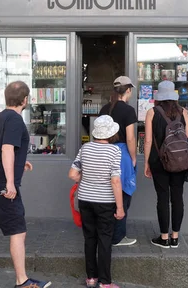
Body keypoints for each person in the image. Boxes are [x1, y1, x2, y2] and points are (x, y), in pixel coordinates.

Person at [0, 81, 51, 288]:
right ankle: (22, 281)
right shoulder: (15, 120)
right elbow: (6, 149)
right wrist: (10, 183)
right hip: (2, 185)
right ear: (25, 100)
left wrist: (21, 162)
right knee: (18, 230)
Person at [69, 115, 125, 288]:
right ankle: (105, 282)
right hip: (105, 202)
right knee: (105, 239)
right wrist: (120, 207)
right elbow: (115, 181)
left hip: (85, 199)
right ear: (111, 133)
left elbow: (72, 174)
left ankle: (91, 278)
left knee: (90, 238)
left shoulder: (85, 148)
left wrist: (86, 179)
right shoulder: (114, 151)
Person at [143, 80, 188, 249]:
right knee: (178, 197)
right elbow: (187, 140)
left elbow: (148, 140)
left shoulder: (152, 112)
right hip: (180, 161)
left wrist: (146, 162)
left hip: (159, 161)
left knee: (162, 197)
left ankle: (164, 238)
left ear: (159, 97)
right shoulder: (183, 112)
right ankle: (175, 237)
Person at [99, 76, 137, 247]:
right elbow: (130, 138)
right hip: (121, 154)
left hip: (104, 152)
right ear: (128, 90)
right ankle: (119, 236)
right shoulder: (128, 111)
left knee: (106, 193)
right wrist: (134, 158)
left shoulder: (104, 109)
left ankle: (106, 233)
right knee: (123, 193)